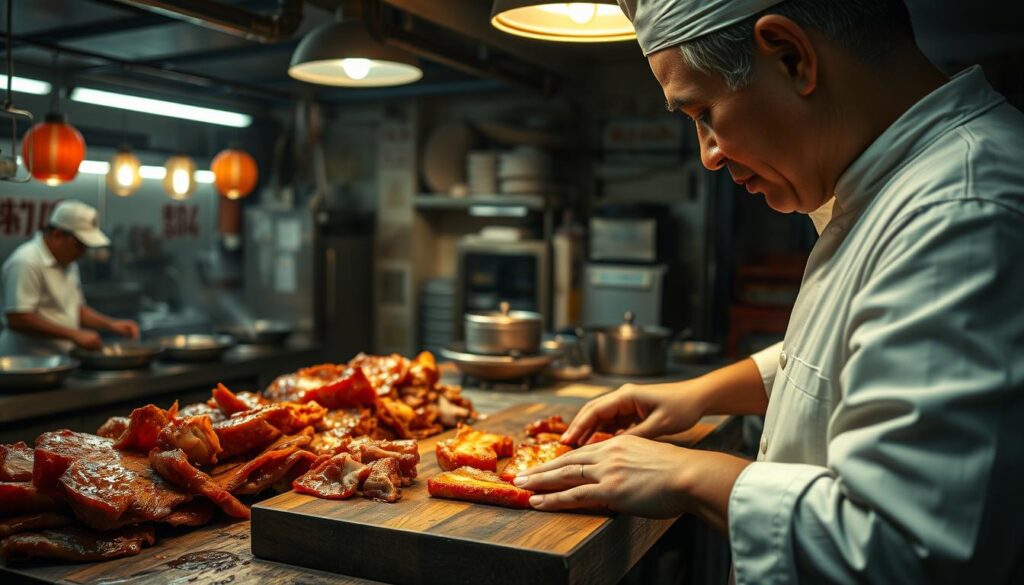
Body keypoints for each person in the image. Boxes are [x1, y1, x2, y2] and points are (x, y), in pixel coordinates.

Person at [513, 0, 1024, 582]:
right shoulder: (900, 183)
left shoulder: (964, 211)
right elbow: (856, 355)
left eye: (704, 112)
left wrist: (686, 474)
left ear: (790, 56)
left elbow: (901, 548)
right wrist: (700, 393)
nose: (708, 155)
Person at [0, 200, 139, 355]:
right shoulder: (26, 261)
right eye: (79, 245)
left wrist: (112, 325)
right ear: (57, 234)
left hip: (59, 360)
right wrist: (74, 334)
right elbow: (18, 319)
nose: (83, 253)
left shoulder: (68, 263)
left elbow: (76, 309)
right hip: (25, 364)